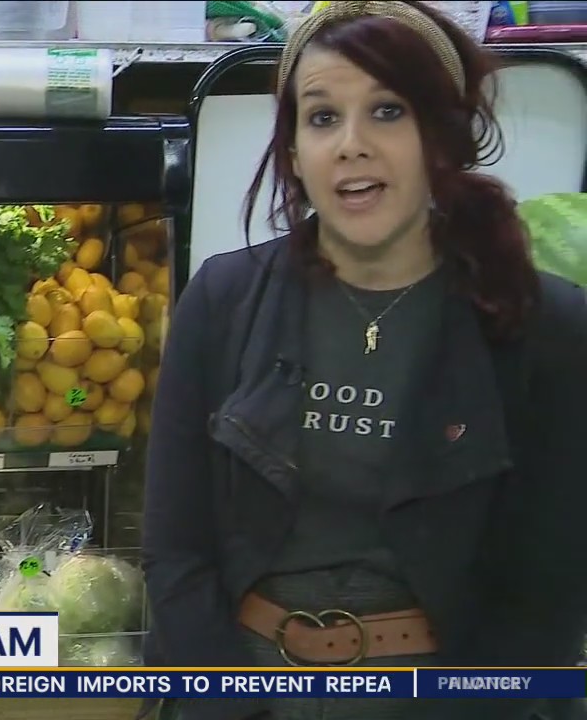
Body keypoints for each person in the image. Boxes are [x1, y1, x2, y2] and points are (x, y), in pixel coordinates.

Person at [143, 2, 587, 720]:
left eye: (387, 111)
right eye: (323, 118)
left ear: (443, 135)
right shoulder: (221, 301)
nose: (352, 145)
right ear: (293, 151)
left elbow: (549, 590)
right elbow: (175, 554)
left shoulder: (547, 326)